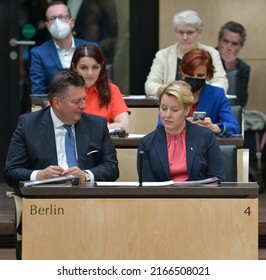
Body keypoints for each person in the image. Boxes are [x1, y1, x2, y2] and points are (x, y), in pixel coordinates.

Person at [5, 69, 119, 195]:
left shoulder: (97, 125)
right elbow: (11, 172)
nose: (83, 106)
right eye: (76, 102)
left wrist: (85, 175)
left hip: (87, 199)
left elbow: (112, 168)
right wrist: (39, 175)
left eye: (84, 99)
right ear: (57, 103)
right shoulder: (29, 125)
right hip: (45, 201)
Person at [138, 80, 225, 182]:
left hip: (199, 196)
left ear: (187, 110)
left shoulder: (205, 136)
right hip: (162, 197)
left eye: (174, 110)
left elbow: (217, 179)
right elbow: (148, 187)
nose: (167, 115)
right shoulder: (147, 143)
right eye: (164, 108)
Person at [145, 9, 228, 97]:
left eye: (190, 32)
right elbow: (150, 85)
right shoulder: (162, 55)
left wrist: (201, 94)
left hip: (204, 103)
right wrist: (174, 92)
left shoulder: (211, 53)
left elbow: (221, 82)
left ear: (199, 33)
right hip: (172, 104)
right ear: (175, 33)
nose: (184, 37)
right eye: (180, 32)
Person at [157, 49, 240, 136]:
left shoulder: (217, 94)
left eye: (200, 75)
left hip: (206, 147)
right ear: (182, 73)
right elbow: (160, 127)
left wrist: (214, 127)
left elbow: (234, 127)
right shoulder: (172, 93)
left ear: (208, 75)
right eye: (190, 74)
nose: (194, 78)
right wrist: (180, 126)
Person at [30, 1, 98, 95]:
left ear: (72, 22)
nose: (57, 22)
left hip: (89, 105)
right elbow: (38, 93)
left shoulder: (91, 48)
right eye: (52, 18)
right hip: (55, 107)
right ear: (47, 26)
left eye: (62, 17)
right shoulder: (39, 53)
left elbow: (102, 85)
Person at [70, 44, 131, 134]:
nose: (90, 73)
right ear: (74, 67)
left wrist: (87, 127)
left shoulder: (112, 90)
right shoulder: (64, 90)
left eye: (95, 67)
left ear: (101, 67)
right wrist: (103, 126)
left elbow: (125, 127)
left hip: (102, 146)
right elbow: (52, 124)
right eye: (84, 68)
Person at [217, 21, 250, 107]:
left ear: (240, 47)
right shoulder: (205, 58)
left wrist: (231, 71)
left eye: (234, 44)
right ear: (219, 41)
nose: (228, 47)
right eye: (225, 41)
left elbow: (240, 103)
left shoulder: (243, 68)